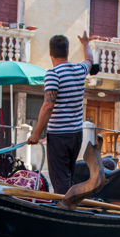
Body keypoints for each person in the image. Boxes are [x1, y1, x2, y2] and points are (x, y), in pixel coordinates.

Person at [27, 32, 94, 195]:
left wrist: (36, 134)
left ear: (50, 52)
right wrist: (85, 43)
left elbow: (48, 105)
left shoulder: (53, 74)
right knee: (68, 176)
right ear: (67, 51)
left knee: (60, 180)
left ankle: (64, 211)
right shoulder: (80, 69)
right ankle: (68, 205)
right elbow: (90, 60)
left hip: (60, 136)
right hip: (76, 135)